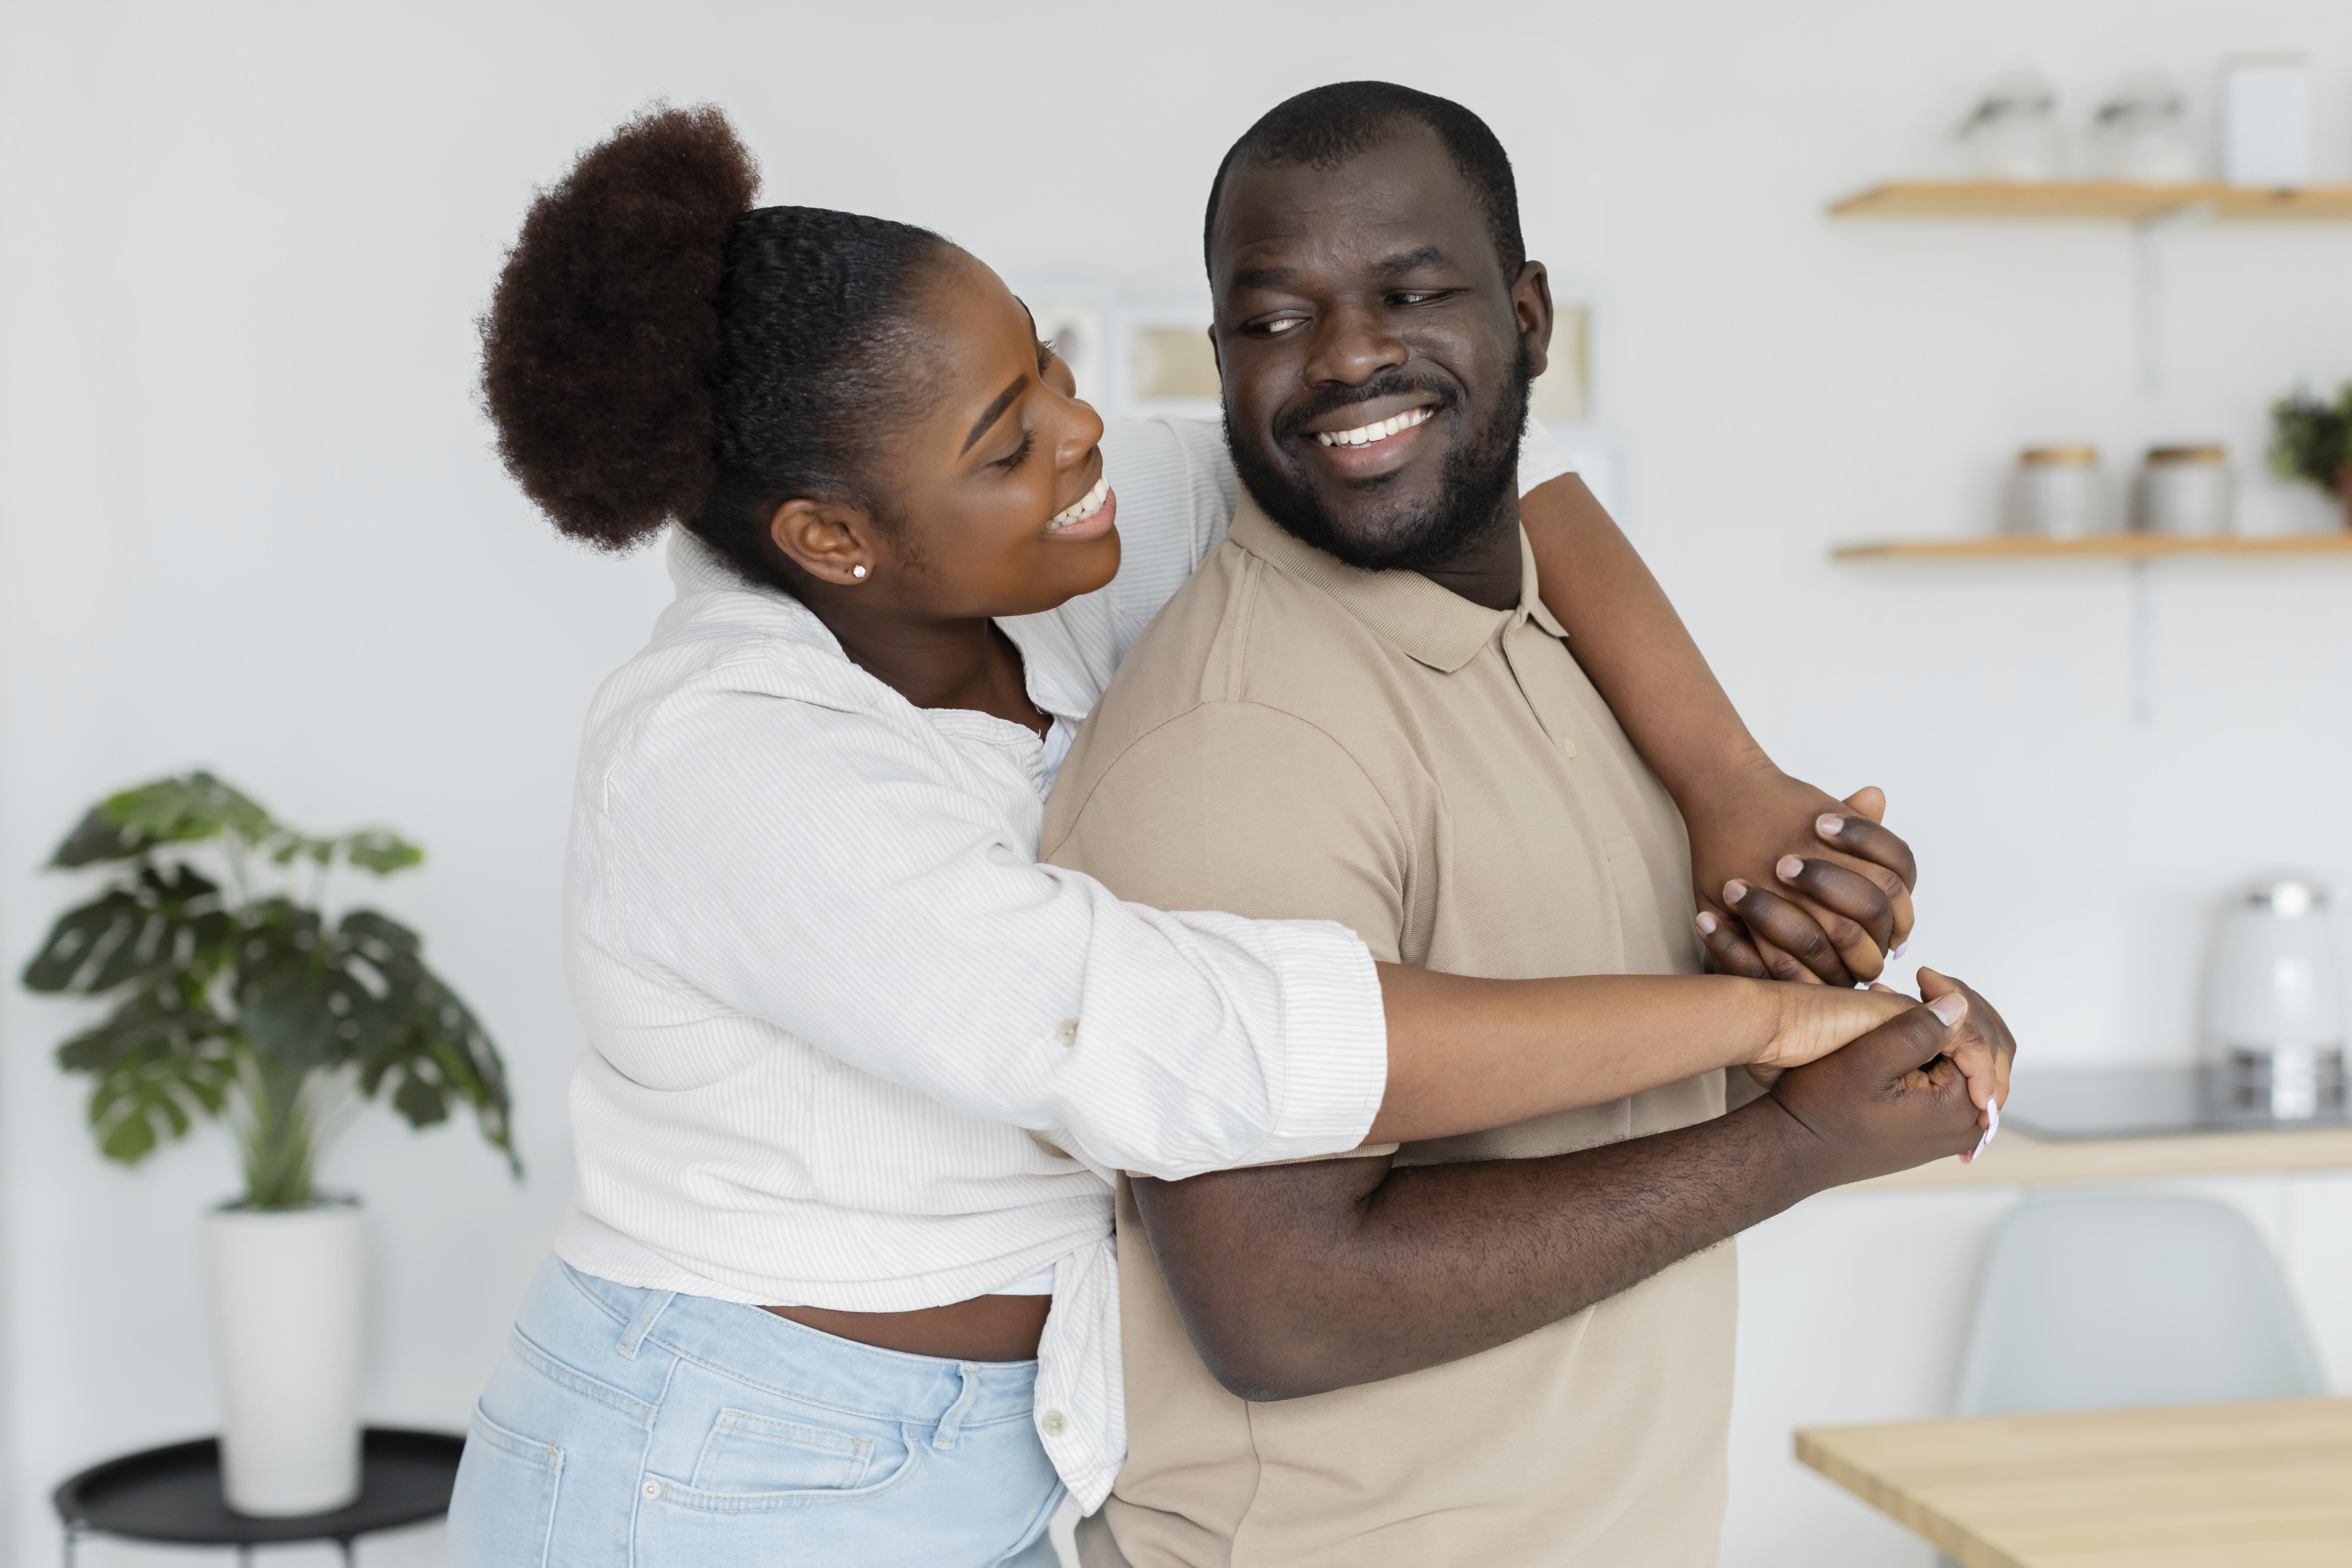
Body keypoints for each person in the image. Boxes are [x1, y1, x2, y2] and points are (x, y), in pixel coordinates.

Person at [443, 106, 1979, 1568]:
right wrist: (1764, 1029)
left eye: (1046, 363)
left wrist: (1734, 783)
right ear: (834, 540)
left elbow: (1506, 497)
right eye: (1007, 438)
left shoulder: (1046, 562)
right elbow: (1199, 1047)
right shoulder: (731, 764)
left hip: (1000, 1440)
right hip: (725, 1474)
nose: (1084, 427)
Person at [1043, 82, 2016, 1568]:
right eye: (1273, 319)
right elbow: (1279, 1302)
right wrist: (1794, 1148)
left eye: (1407, 291)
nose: (1346, 355)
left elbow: (1603, 1069)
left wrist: (1872, 1029)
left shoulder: (1551, 630)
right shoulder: (1242, 740)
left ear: (1530, 316)